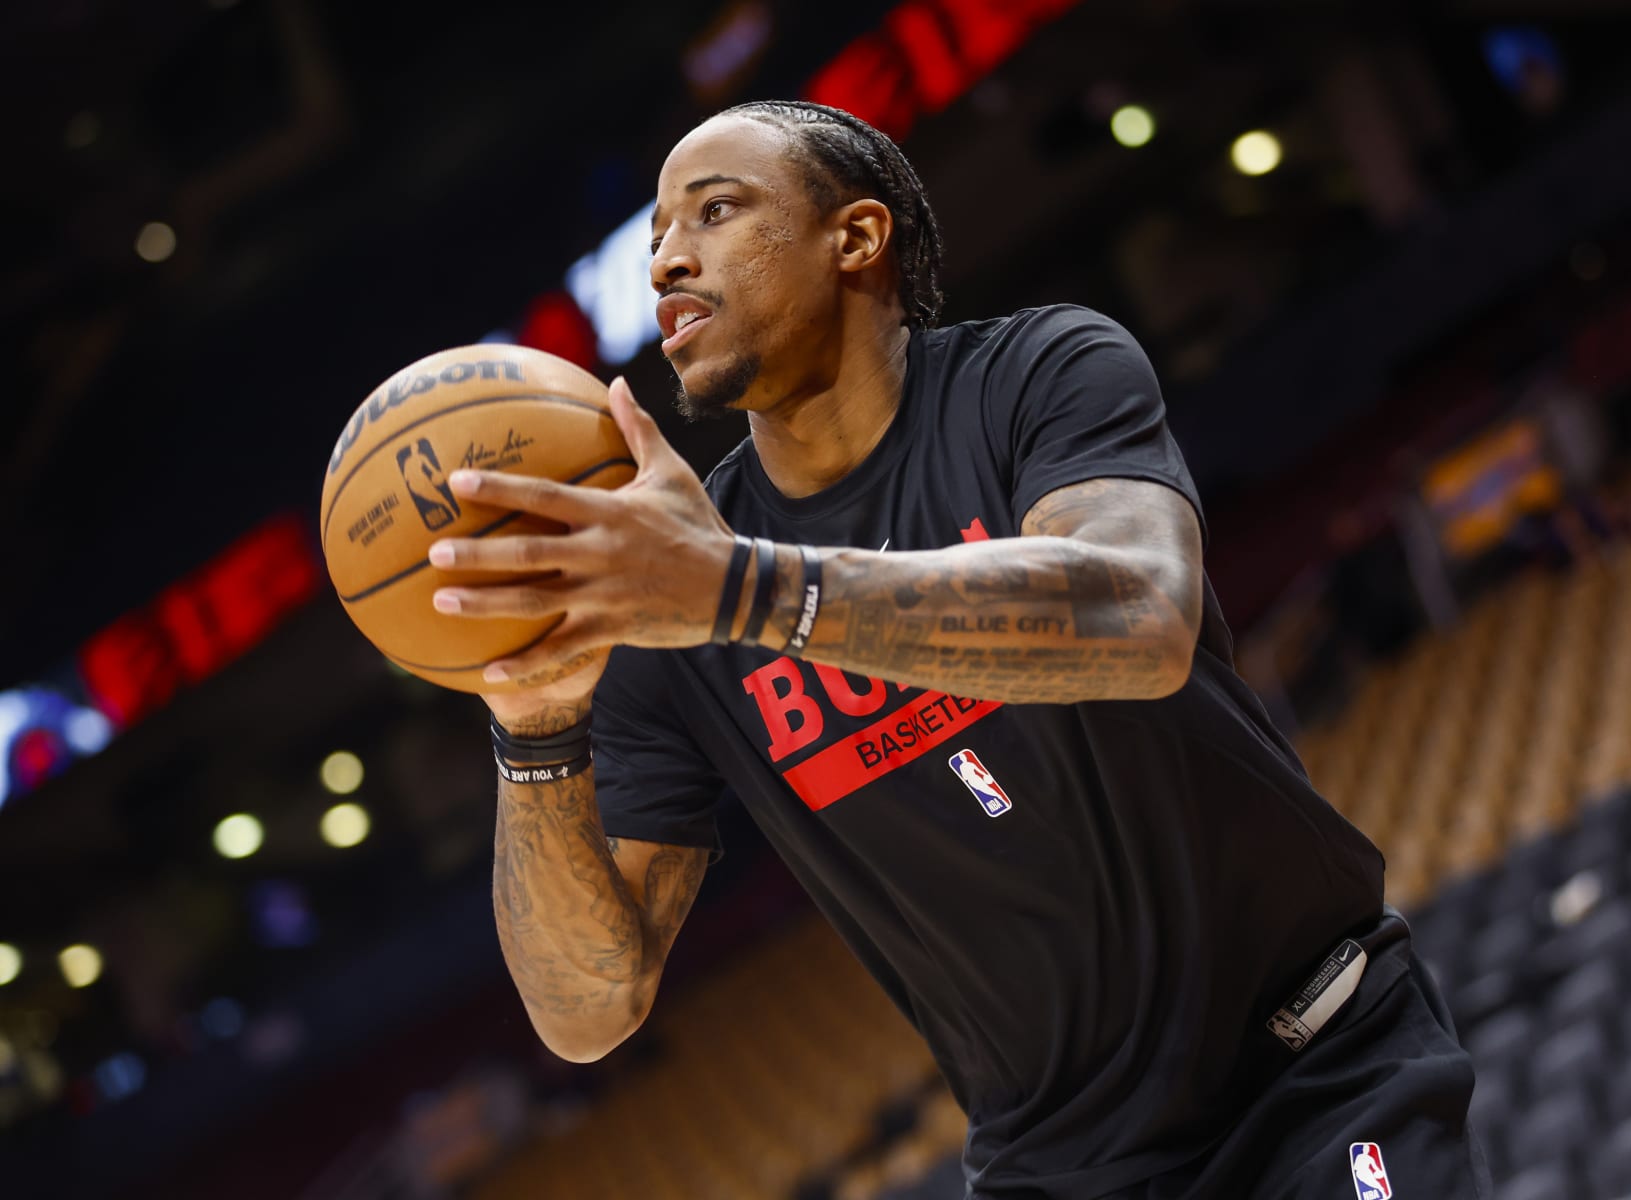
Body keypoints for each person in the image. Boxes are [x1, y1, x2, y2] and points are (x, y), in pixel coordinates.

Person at [424, 100, 1491, 1199]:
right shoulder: (676, 597)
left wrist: (745, 588)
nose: (666, 262)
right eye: (655, 239)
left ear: (857, 237)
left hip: (1308, 1072)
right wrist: (536, 732)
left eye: (715, 211)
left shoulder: (1037, 371)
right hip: (1058, 1172)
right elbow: (588, 1014)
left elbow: (1141, 615)